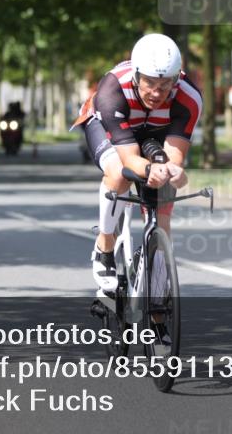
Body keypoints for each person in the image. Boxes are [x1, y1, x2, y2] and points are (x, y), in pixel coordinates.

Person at [71, 33, 202, 293]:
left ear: (176, 80)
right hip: (111, 129)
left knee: (163, 206)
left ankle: (158, 312)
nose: (156, 92)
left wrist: (173, 171)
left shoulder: (189, 98)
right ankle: (105, 246)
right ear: (136, 75)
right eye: (150, 83)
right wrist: (149, 169)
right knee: (120, 174)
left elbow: (175, 156)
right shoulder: (113, 88)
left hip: (156, 131)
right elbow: (129, 157)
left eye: (165, 85)